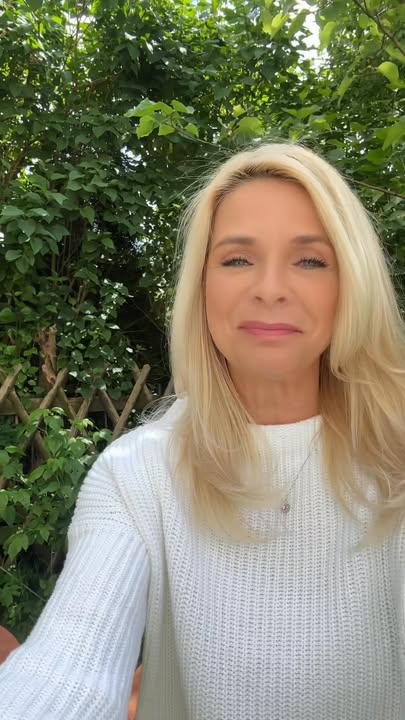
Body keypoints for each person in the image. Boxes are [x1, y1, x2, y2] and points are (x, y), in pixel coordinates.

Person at [0, 141, 405, 719]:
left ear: (351, 285)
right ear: (202, 286)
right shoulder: (137, 474)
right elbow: (67, 671)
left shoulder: (395, 460)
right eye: (237, 259)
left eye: (310, 260)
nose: (270, 288)